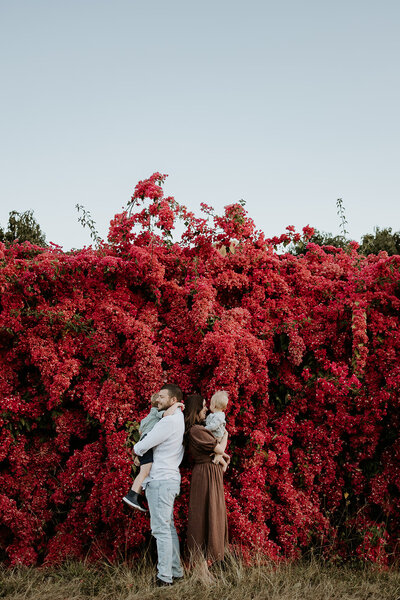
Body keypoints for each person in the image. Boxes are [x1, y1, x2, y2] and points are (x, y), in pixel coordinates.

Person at [132, 384, 185, 587]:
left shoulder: (168, 422)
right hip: (169, 479)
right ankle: (175, 571)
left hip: (160, 480)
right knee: (168, 528)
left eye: (162, 397)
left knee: (161, 530)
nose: (158, 399)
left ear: (173, 400)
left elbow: (143, 445)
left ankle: (165, 578)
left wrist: (136, 448)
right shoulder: (177, 417)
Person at [185, 394, 229, 579]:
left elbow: (221, 445)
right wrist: (224, 453)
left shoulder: (203, 428)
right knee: (202, 517)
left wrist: (223, 448)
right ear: (195, 409)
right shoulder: (195, 430)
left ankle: (204, 569)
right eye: (203, 406)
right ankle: (200, 569)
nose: (206, 409)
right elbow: (218, 448)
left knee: (213, 515)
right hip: (205, 474)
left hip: (213, 474)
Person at [122, 392, 164, 511]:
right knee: (145, 471)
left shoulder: (146, 418)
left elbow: (140, 432)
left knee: (145, 470)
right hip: (147, 442)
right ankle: (132, 495)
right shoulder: (157, 412)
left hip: (143, 441)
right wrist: (176, 405)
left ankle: (137, 496)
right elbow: (167, 414)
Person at [204, 390, 229, 471]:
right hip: (215, 435)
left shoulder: (219, 416)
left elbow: (214, 426)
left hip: (217, 436)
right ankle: (224, 461)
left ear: (214, 405)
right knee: (216, 451)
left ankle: (224, 463)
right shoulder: (215, 415)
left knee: (216, 451)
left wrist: (204, 429)